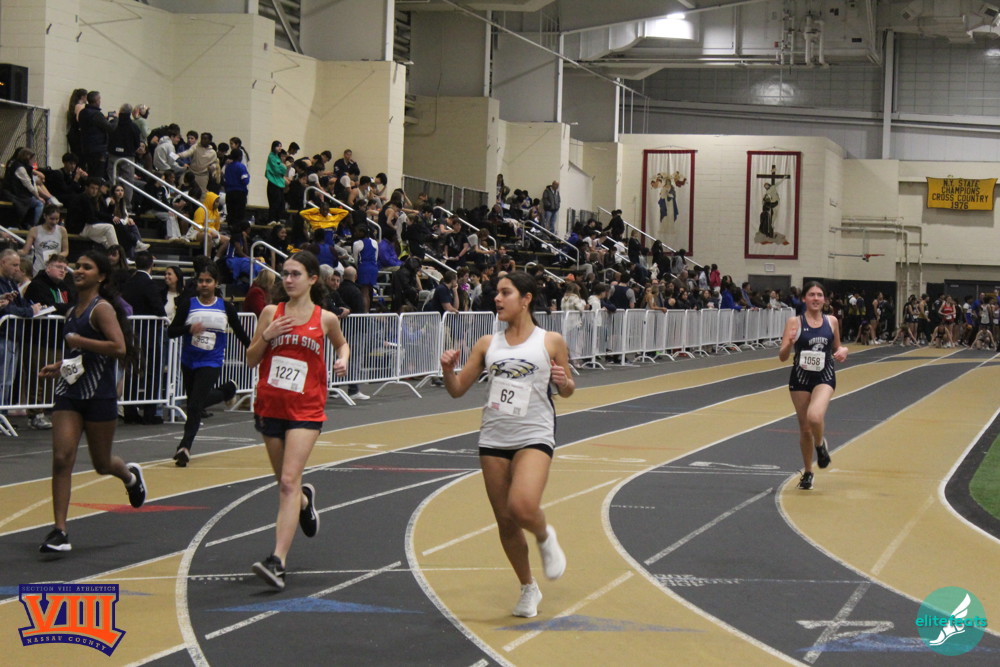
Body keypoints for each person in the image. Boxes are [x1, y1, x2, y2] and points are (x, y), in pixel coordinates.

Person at [439, 271, 572, 618]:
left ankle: (544, 536)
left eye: (505, 292)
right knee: (506, 522)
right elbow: (457, 390)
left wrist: (563, 381)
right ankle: (528, 587)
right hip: (494, 437)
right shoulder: (487, 344)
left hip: (534, 434)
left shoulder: (550, 341)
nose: (497, 299)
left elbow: (568, 389)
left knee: (522, 506)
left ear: (526, 299)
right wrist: (447, 369)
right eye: (496, 293)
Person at [247, 251, 349, 589]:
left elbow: (342, 345)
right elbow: (250, 359)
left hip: (306, 409)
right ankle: (305, 502)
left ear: (312, 279)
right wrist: (268, 335)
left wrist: (342, 360)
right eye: (285, 274)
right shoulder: (270, 313)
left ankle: (277, 561)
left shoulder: (325, 318)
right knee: (286, 483)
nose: (288, 280)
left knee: (288, 481)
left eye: (295, 274)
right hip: (270, 406)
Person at [36, 249, 147, 553]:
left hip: (99, 395)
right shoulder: (72, 311)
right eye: (78, 265)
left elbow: (119, 347)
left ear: (101, 276)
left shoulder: (102, 309)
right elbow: (79, 355)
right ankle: (60, 531)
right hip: (69, 393)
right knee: (62, 458)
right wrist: (60, 365)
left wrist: (81, 341)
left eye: (87, 267)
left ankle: (129, 476)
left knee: (101, 463)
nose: (79, 270)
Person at [168, 263, 250, 467]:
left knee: (195, 405)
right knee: (194, 403)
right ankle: (227, 391)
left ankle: (184, 447)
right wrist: (188, 329)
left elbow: (240, 333)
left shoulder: (225, 307)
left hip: (212, 361)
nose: (204, 284)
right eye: (201, 281)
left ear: (216, 283)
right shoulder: (188, 304)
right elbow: (171, 331)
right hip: (189, 361)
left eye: (208, 281)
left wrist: (256, 350)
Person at [778, 281, 848, 491]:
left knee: (815, 417)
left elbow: (837, 347)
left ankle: (820, 445)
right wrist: (790, 343)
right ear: (804, 299)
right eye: (811, 294)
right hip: (800, 378)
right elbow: (782, 356)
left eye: (819, 295)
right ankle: (808, 472)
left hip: (824, 376)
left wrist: (843, 351)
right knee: (805, 428)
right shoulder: (794, 322)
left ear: (825, 299)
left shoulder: (831, 321)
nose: (816, 298)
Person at [20, 204, 70, 276]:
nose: (54, 222)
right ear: (45, 216)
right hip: (39, 268)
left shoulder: (62, 230)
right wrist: (15, 251)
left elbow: (66, 251)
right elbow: (25, 251)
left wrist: (55, 256)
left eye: (57, 219)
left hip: (55, 268)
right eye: (51, 219)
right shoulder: (34, 230)